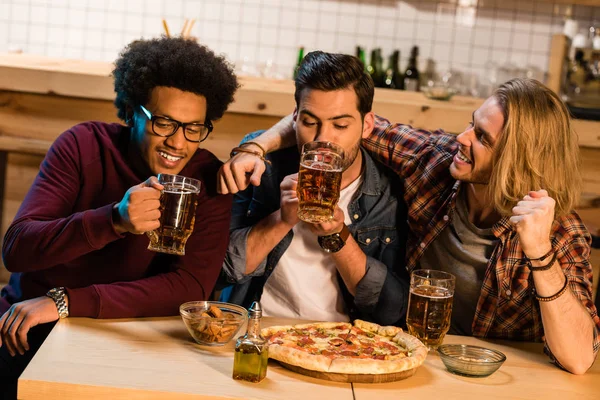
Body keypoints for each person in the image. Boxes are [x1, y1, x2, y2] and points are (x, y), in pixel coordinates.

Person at [218, 78, 599, 374]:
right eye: (471, 125)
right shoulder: (436, 161)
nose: (462, 139)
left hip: (506, 375)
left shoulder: (560, 230)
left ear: (518, 161)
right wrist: (256, 147)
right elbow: (326, 119)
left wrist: (540, 255)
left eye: (481, 138)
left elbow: (580, 359)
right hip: (421, 360)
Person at [0, 36, 238, 394]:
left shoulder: (207, 180)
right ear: (131, 112)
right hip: (29, 327)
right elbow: (17, 248)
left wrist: (65, 302)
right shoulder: (83, 145)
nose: (178, 142)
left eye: (193, 129)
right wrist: (113, 220)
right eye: (163, 122)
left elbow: (190, 287)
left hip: (127, 337)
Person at [221, 51, 409, 325]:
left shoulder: (387, 193)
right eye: (310, 122)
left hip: (342, 342)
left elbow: (392, 310)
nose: (322, 140)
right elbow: (220, 271)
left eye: (340, 125)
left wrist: (337, 236)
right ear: (294, 118)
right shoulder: (261, 166)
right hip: (257, 331)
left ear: (366, 125)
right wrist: (281, 220)